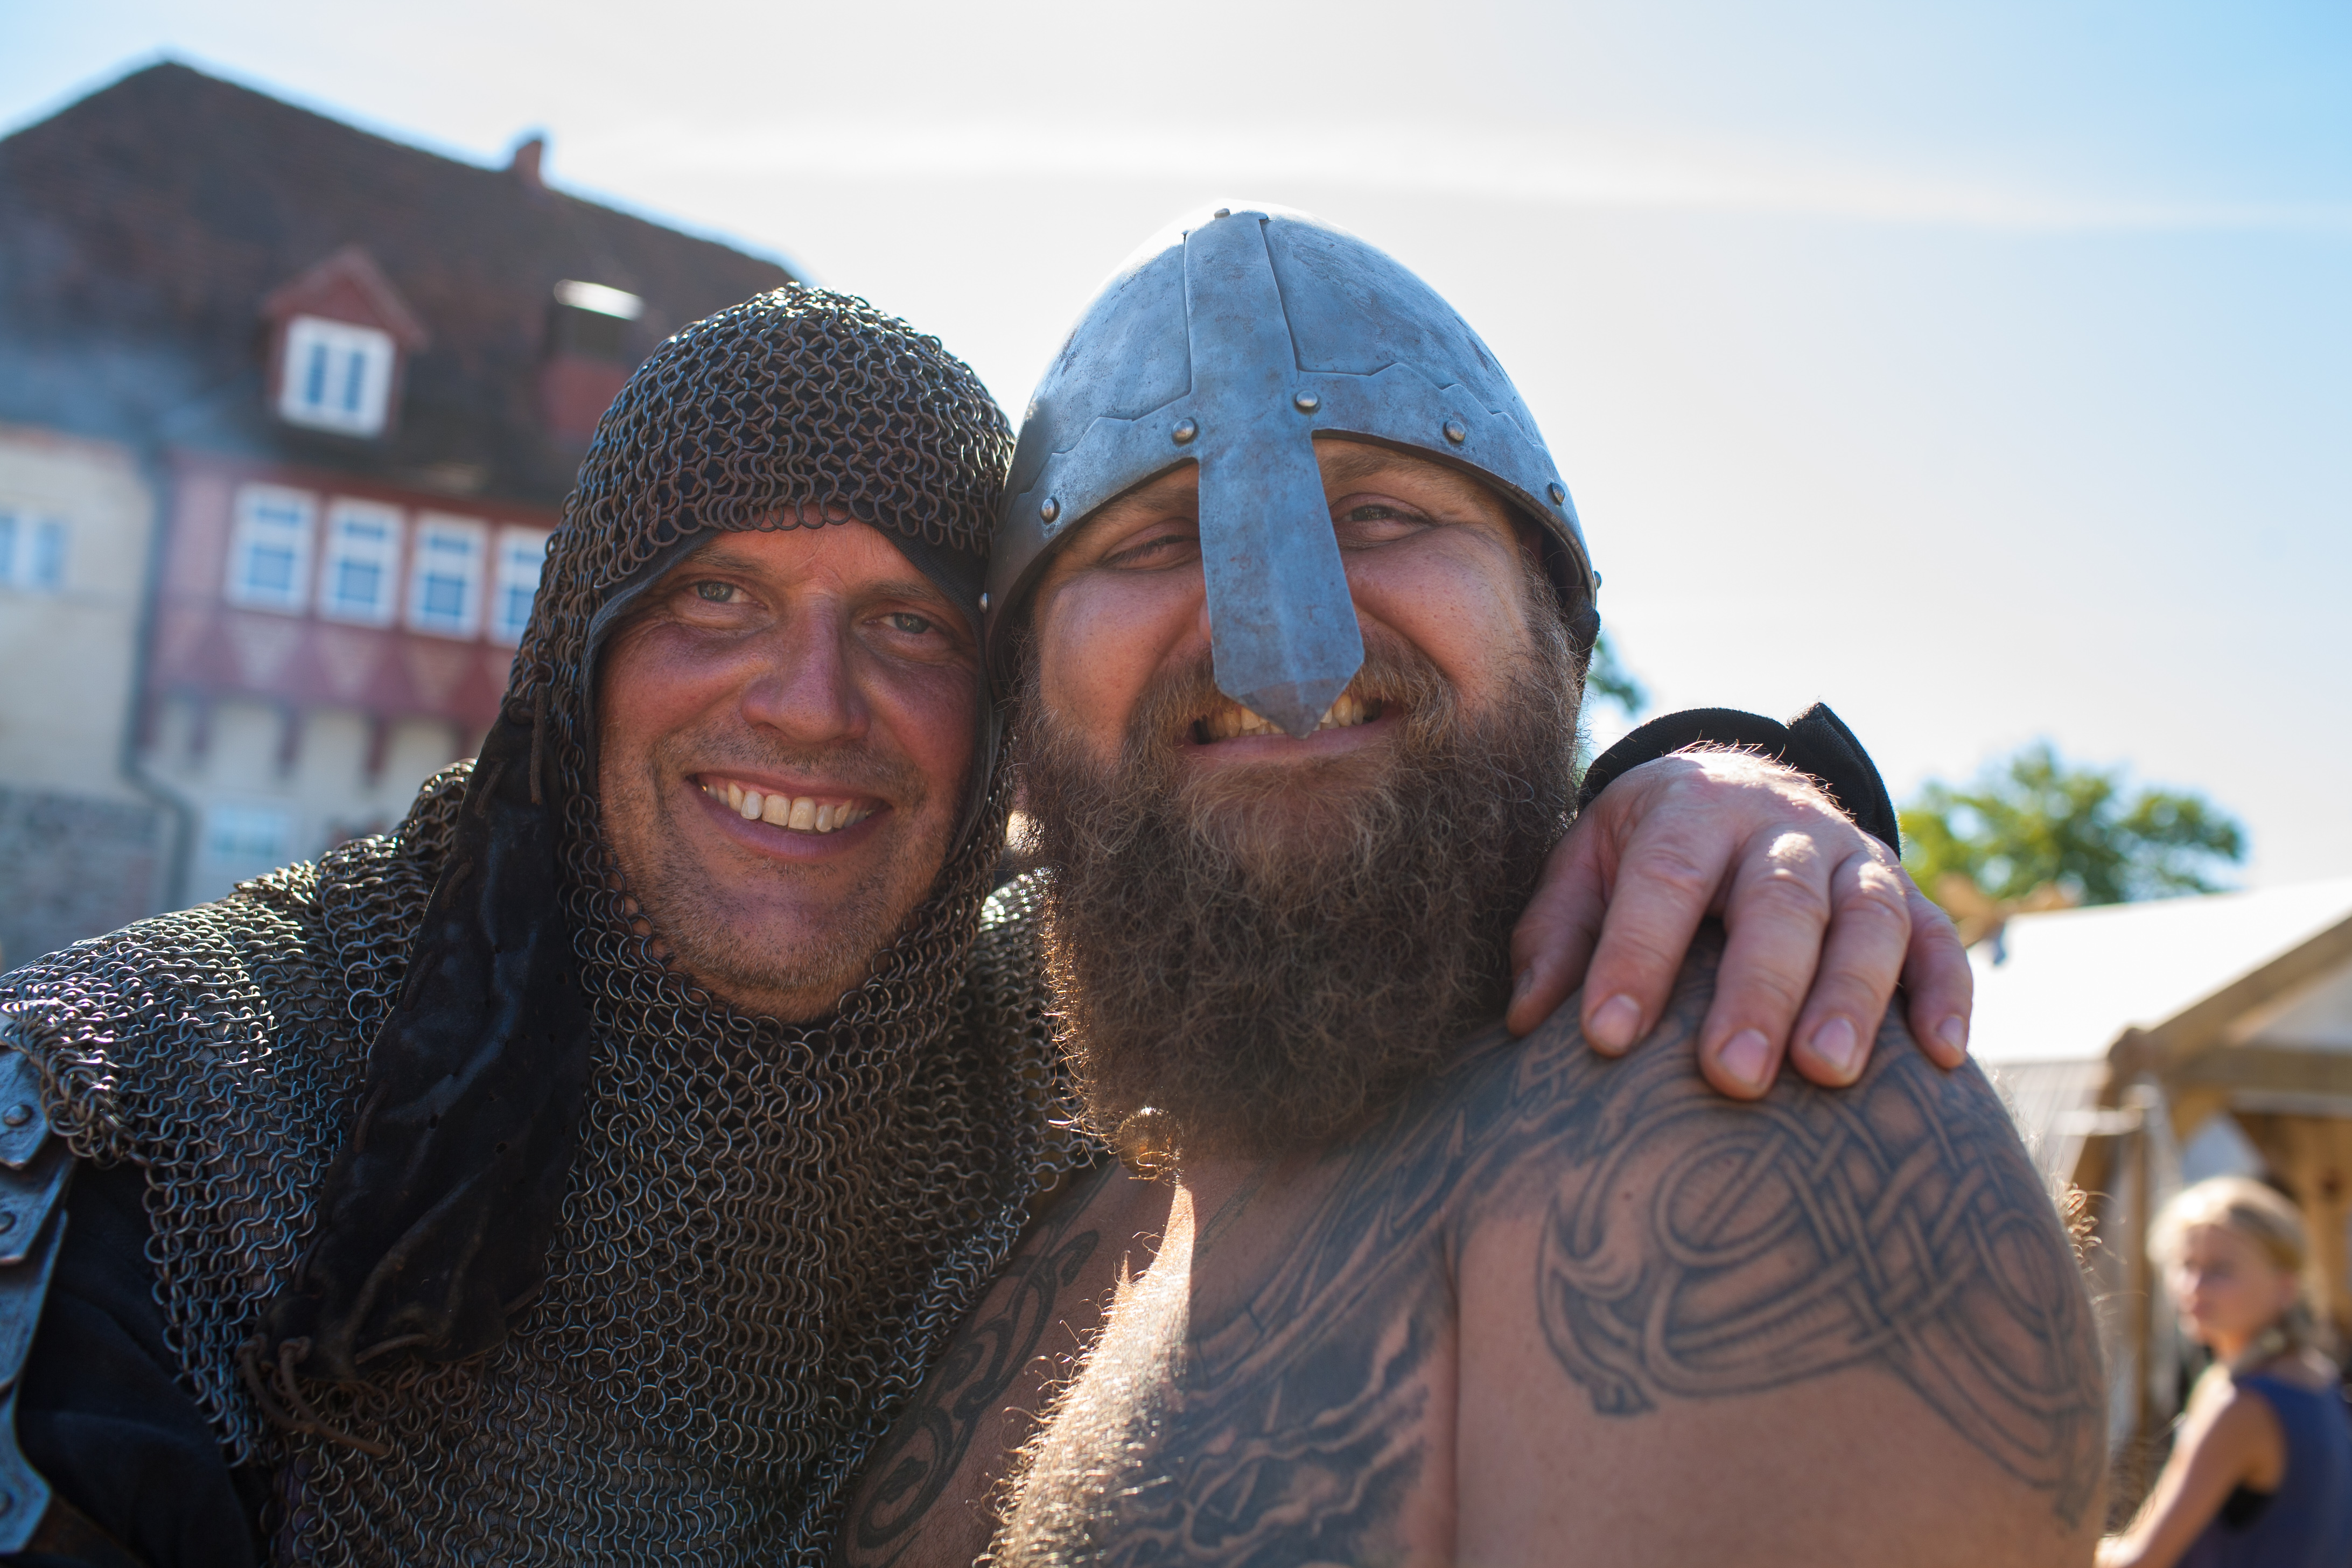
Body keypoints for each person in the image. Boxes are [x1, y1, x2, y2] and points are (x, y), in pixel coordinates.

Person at [0, 286, 1958, 1567]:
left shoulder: (1064, 1040)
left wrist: (1705, 786)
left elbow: (1365, 861)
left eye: (911, 624)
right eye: (715, 598)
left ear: (1011, 707)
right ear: (577, 660)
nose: (809, 704)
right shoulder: (186, 1108)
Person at [841, 206, 2106, 1567]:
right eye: (1151, 541)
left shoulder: (1733, 1122)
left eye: (1380, 515)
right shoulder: (989, 1146)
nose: (1282, 645)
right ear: (1021, 702)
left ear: (1559, 632)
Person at [2099, 1177, 2352, 1568]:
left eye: (2220, 1270)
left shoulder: (2243, 1406)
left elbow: (2140, 1562)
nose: (2194, 1287)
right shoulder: (2319, 1377)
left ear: (2285, 1285)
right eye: (2186, 1265)